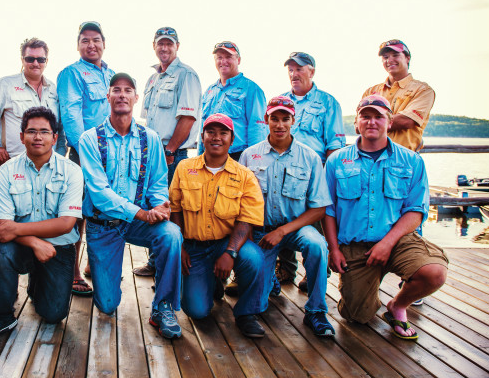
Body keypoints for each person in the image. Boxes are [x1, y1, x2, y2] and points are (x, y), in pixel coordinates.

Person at [324, 95, 447, 340]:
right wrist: (334, 249)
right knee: (357, 315)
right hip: (355, 246)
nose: (372, 122)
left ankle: (398, 306)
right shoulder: (337, 160)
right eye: (365, 116)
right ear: (356, 123)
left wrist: (387, 243)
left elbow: (416, 212)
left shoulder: (411, 160)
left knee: (434, 272)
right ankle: (365, 290)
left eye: (378, 116)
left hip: (397, 241)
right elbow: (328, 210)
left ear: (389, 122)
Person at [80, 73, 184, 339]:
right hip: (103, 226)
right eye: (116, 90)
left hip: (140, 222)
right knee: (107, 305)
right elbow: (99, 193)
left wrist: (160, 206)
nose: (122, 94)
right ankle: (110, 276)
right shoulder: (90, 139)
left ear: (136, 98)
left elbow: (159, 182)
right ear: (108, 97)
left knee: (171, 234)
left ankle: (163, 307)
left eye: (128, 90)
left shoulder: (150, 138)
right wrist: (141, 212)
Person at [0, 107, 84, 339]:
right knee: (2, 253)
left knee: (53, 314)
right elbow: (3, 227)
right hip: (19, 245)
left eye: (44, 132)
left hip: (59, 248)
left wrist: (18, 229)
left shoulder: (72, 172)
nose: (37, 137)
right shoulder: (6, 171)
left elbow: (66, 223)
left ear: (55, 138)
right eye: (31, 131)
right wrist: (34, 242)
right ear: (21, 136)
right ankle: (2, 316)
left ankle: (37, 284)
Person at [239, 97, 335, 337]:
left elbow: (319, 208)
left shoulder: (310, 157)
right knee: (256, 306)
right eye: (274, 119)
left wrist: (283, 231)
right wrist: (248, 230)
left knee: (316, 244)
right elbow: (239, 200)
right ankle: (268, 277)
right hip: (261, 231)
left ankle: (316, 311)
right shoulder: (250, 156)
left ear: (294, 120)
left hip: (296, 228)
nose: (279, 125)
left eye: (285, 119)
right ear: (266, 120)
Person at [169, 113, 267, 338]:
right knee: (196, 311)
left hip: (227, 243)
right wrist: (181, 246)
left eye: (223, 133)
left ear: (232, 140)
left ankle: (246, 313)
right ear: (201, 137)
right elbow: (175, 208)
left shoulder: (245, 176)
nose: (216, 137)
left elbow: (247, 218)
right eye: (210, 132)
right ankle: (212, 283)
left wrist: (230, 252)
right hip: (195, 247)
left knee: (254, 258)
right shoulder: (184, 168)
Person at [135, 27, 201, 277]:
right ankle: (156, 261)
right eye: (160, 44)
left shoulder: (187, 75)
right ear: (154, 46)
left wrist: (170, 150)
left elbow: (188, 117)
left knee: (172, 208)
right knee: (154, 204)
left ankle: (170, 266)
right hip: (152, 153)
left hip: (172, 154)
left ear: (177, 46)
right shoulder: (152, 79)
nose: (164, 48)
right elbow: (147, 120)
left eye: (169, 44)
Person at [56, 21, 115, 296]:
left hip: (113, 154)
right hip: (84, 155)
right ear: (78, 45)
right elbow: (71, 114)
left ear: (104, 43)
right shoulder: (71, 73)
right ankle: (72, 271)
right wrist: (86, 152)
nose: (91, 45)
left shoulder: (113, 75)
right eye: (85, 40)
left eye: (96, 40)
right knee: (77, 213)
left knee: (104, 210)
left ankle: (94, 264)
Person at [278, 52, 345, 289]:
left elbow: (335, 147)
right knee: (282, 217)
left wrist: (327, 179)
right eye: (291, 70)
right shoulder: (280, 101)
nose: (294, 74)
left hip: (314, 172)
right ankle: (285, 268)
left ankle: (316, 270)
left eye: (299, 69)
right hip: (283, 169)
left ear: (312, 71)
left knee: (316, 221)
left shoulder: (328, 102)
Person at [0, 37, 66, 166]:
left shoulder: (53, 89)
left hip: (50, 166)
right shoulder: (5, 85)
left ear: (47, 61)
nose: (35, 63)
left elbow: (60, 129)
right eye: (30, 59)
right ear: (22, 60)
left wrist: (60, 154)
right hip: (15, 165)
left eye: (40, 59)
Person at [362, 39, 435, 152]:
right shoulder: (371, 91)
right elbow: (358, 126)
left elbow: (407, 121)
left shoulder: (423, 90)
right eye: (385, 57)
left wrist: (370, 122)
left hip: (404, 159)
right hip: (369, 158)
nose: (390, 60)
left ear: (407, 58)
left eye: (395, 55)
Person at [200, 41, 267, 162]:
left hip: (238, 158)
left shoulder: (252, 89)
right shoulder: (210, 91)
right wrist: (199, 157)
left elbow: (258, 129)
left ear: (239, 60)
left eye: (228, 57)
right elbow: (202, 127)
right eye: (219, 57)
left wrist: (255, 163)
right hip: (210, 158)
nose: (223, 61)